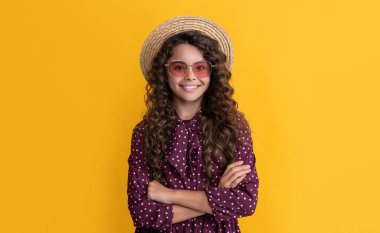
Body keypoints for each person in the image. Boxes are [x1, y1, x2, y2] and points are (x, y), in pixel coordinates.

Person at [127, 15, 259, 233]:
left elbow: (245, 201)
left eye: (200, 67)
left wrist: (170, 195)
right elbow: (142, 213)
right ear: (165, 72)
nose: (190, 76)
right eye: (179, 67)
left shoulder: (232, 127)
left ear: (212, 72)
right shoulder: (145, 131)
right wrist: (218, 193)